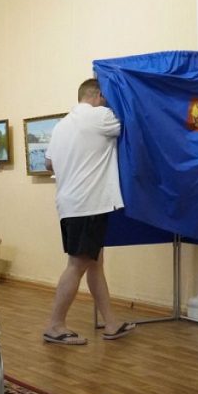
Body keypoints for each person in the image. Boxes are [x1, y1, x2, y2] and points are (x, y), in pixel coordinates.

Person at [42, 78, 135, 345]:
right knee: (78, 264)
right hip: (88, 204)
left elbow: (49, 162)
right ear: (96, 96)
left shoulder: (61, 126)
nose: (106, 103)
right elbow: (128, 125)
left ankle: (111, 323)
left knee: (95, 263)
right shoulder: (99, 115)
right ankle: (55, 325)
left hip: (70, 203)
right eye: (104, 98)